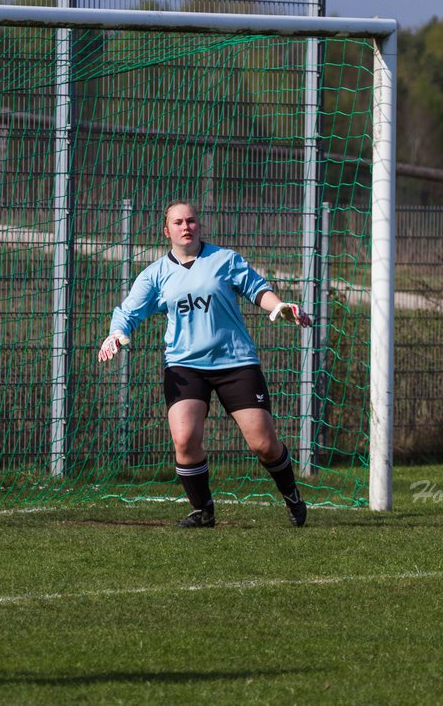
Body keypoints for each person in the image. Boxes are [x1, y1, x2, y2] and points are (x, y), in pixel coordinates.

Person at [97, 200, 314, 528]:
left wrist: (281, 306)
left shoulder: (224, 260)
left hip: (235, 362)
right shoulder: (155, 274)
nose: (186, 227)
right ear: (166, 230)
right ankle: (203, 510)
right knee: (184, 441)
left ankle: (293, 496)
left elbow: (258, 290)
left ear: (199, 225)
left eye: (192, 221)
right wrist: (115, 334)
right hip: (184, 365)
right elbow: (127, 313)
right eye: (179, 222)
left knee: (264, 444)